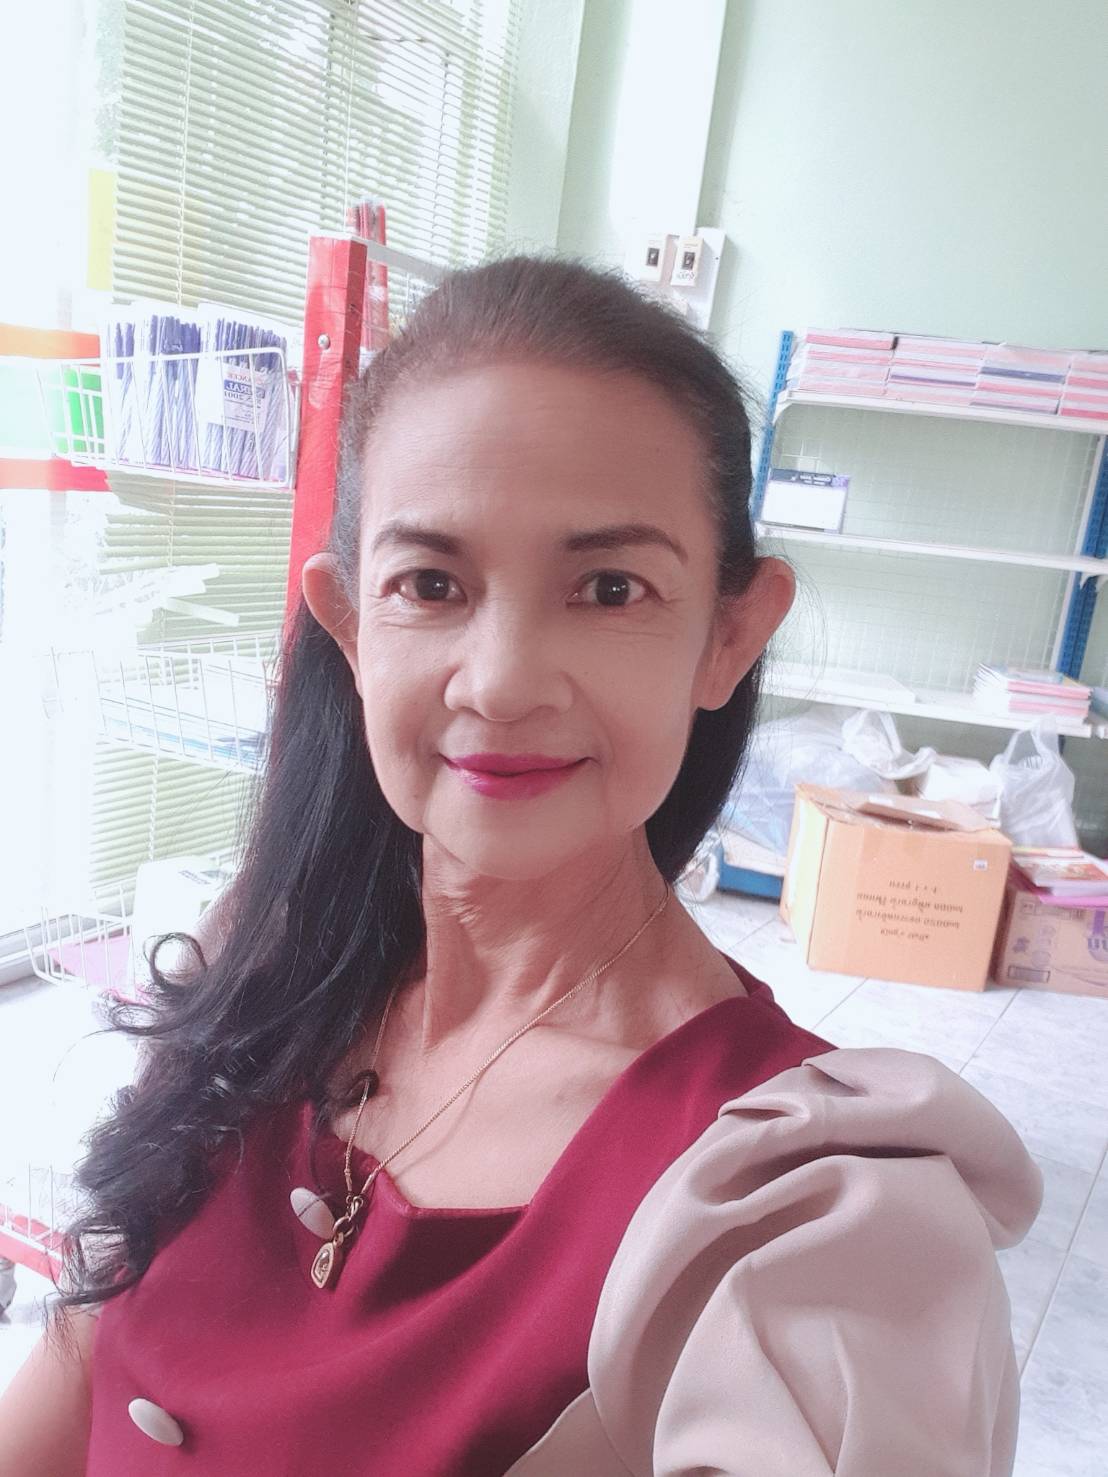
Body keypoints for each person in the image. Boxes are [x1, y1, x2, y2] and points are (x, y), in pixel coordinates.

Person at [0, 257, 1042, 1476]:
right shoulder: (261, 970)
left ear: (729, 635)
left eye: (609, 588)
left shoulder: (805, 1221)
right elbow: (75, 1371)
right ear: (350, 626)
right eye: (430, 583)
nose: (500, 682)